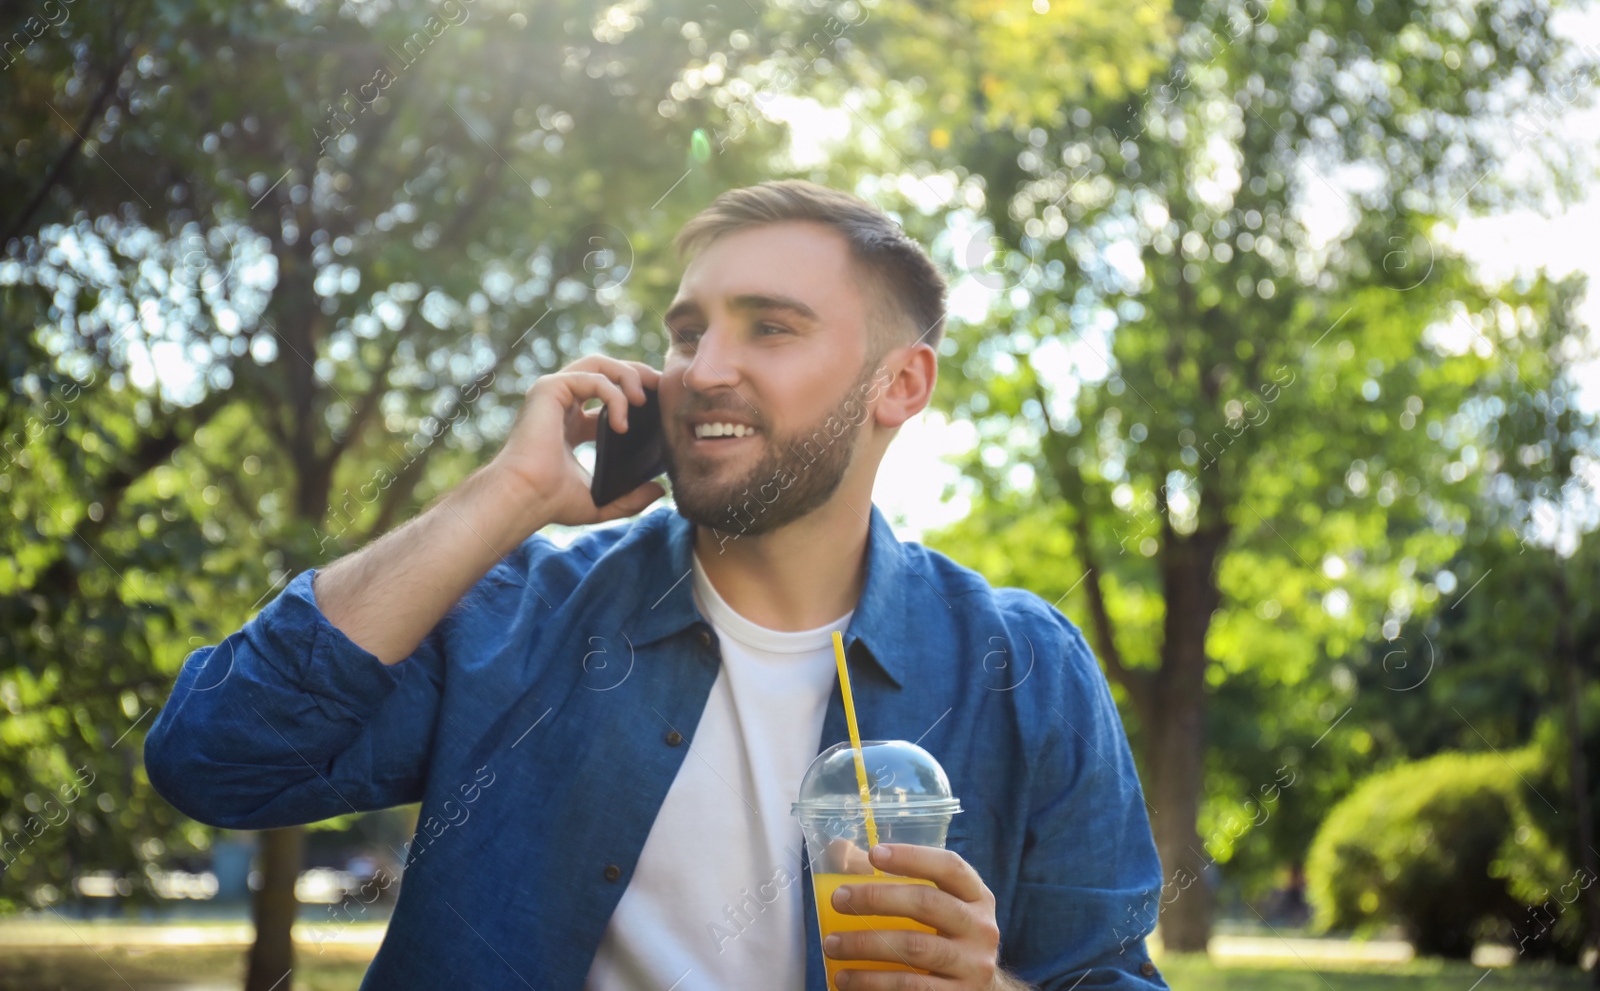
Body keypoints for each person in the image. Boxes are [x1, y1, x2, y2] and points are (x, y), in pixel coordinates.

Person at [145, 180, 1169, 990]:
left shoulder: (1021, 665)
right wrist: (503, 494)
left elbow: (1107, 972)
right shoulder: (521, 613)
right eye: (687, 332)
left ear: (899, 383)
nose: (701, 368)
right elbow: (213, 758)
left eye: (769, 328)